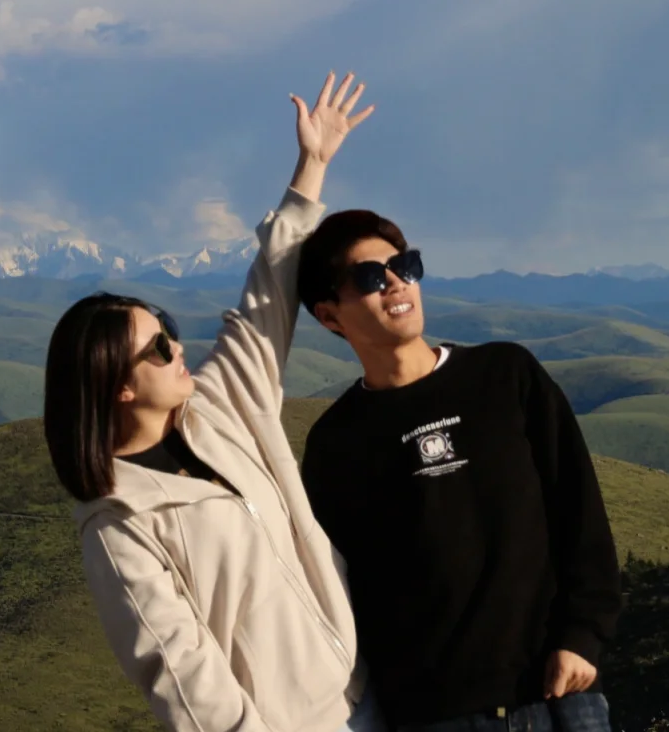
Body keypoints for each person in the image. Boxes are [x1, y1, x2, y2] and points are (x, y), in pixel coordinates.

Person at [44, 72, 383, 732]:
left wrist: (310, 168)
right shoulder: (120, 523)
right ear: (118, 385)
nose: (178, 349)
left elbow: (266, 302)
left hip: (373, 692)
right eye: (158, 349)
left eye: (168, 329)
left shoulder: (219, 408)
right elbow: (183, 678)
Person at [296, 211, 622, 732]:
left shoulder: (506, 376)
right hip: (436, 715)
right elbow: (339, 592)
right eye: (370, 277)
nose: (397, 283)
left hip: (560, 692)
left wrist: (582, 637)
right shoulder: (337, 442)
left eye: (404, 266)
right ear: (330, 316)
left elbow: (580, 513)